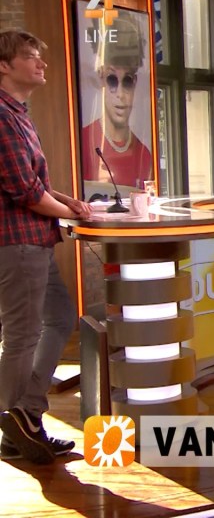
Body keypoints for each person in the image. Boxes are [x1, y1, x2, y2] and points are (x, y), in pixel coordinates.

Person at [0, 29, 90, 464]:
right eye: (32, 56)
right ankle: (14, 425)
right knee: (21, 335)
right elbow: (25, 192)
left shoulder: (18, 113)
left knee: (59, 318)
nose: (42, 63)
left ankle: (25, 414)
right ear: (4, 65)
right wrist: (72, 214)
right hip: (16, 243)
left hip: (35, 240)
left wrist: (68, 202)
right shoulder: (2, 116)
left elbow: (35, 182)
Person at [80, 14, 153, 190]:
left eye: (127, 82)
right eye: (112, 80)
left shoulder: (144, 155)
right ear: (101, 78)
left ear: (135, 83)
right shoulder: (83, 142)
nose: (120, 94)